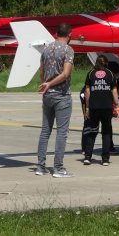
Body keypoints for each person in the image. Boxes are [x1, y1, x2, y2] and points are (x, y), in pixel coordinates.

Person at [36, 23, 74, 178]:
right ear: (69, 34)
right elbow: (65, 74)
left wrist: (46, 84)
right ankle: (58, 168)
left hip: (47, 95)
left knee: (45, 130)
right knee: (61, 132)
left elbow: (42, 71)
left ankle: (40, 166)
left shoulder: (46, 49)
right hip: (62, 95)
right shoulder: (68, 50)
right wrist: (51, 83)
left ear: (56, 33)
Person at [82, 55, 119, 166]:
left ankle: (88, 157)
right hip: (107, 107)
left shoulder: (90, 73)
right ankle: (105, 159)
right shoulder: (111, 74)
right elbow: (114, 91)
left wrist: (87, 107)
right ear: (106, 63)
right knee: (106, 133)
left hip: (94, 107)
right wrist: (116, 105)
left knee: (92, 131)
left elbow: (87, 92)